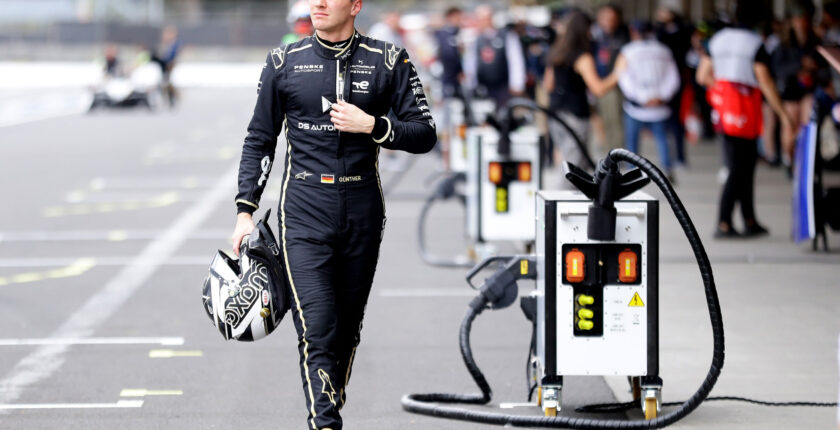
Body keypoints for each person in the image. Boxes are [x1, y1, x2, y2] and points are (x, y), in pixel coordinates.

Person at [231, 0, 437, 427]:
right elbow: (259, 139)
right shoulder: (283, 61)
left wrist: (374, 126)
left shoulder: (388, 59)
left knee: (346, 329)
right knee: (318, 326)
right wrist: (244, 211)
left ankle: (328, 404)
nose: (319, 3)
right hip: (303, 210)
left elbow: (424, 134)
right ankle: (325, 423)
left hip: (362, 208)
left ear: (356, 5)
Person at [696, 0, 794, 238]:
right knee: (740, 168)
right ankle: (724, 222)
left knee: (743, 165)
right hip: (746, 112)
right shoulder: (755, 44)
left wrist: (723, 90)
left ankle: (749, 220)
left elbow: (702, 76)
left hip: (724, 112)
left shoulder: (717, 40)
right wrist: (782, 113)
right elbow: (765, 81)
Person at [543, 10, 623, 170]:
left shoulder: (557, 52)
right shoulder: (582, 57)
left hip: (555, 113)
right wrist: (618, 73)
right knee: (572, 168)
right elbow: (598, 89)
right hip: (574, 115)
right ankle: (557, 196)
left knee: (574, 163)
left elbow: (548, 85)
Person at [616, 20, 680, 180]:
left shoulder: (628, 51)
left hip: (637, 105)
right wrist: (662, 96)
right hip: (659, 105)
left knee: (633, 142)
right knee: (662, 139)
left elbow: (623, 78)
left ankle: (632, 173)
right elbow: (673, 78)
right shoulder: (663, 50)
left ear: (633, 32)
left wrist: (642, 98)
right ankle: (666, 169)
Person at [463, 5, 526, 107]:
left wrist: (517, 83)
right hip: (483, 85)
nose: (483, 22)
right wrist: (471, 83)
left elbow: (515, 60)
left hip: (502, 84)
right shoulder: (476, 39)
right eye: (481, 19)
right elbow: (471, 61)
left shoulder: (506, 36)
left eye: (486, 18)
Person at [591, 4, 629, 151]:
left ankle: (616, 154)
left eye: (612, 19)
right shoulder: (595, 36)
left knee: (615, 122)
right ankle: (607, 153)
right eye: (605, 18)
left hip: (614, 85)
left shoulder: (623, 36)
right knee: (602, 120)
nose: (609, 22)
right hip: (597, 83)